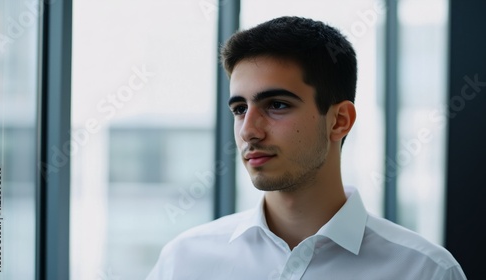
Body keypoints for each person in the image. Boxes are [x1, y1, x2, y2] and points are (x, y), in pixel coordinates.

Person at [146, 16, 466, 280]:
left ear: (339, 120)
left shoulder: (425, 271)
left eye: (277, 105)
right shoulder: (184, 261)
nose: (248, 131)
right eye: (240, 108)